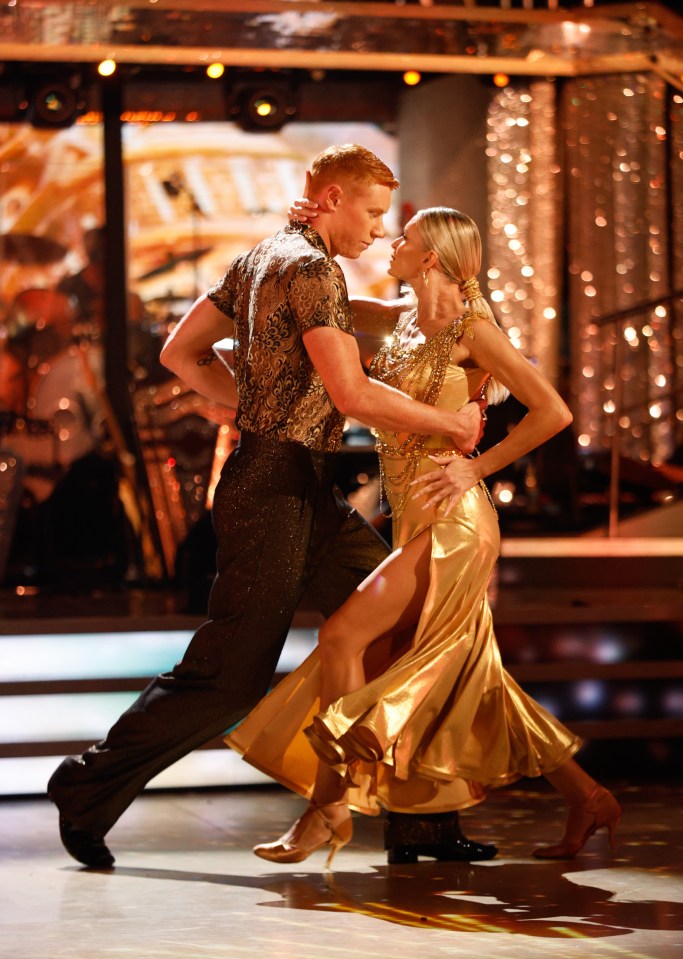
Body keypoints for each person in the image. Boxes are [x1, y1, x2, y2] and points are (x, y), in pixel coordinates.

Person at [46, 145, 491, 869]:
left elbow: (179, 353)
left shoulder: (262, 257)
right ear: (333, 197)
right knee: (232, 674)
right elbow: (350, 394)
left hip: (299, 486)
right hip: (274, 491)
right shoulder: (312, 267)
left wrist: (256, 406)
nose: (379, 230)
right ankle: (86, 783)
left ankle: (421, 820)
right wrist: (449, 425)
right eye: (373, 213)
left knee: (411, 625)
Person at [228, 205, 621, 867]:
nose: (388, 241)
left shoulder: (474, 329)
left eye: (403, 237)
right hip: (414, 516)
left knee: (344, 637)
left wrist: (477, 465)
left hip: (456, 524)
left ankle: (327, 807)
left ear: (431, 256)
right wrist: (301, 230)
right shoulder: (396, 318)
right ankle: (586, 794)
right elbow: (316, 294)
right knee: (478, 676)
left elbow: (553, 410)